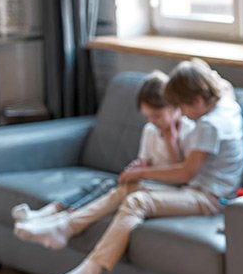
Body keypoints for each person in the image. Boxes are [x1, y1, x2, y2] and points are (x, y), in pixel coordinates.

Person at [25, 58, 243, 274]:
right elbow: (210, 75)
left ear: (199, 100)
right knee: (129, 187)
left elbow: (186, 172)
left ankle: (91, 270)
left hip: (211, 198)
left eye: (183, 107)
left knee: (137, 200)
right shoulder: (225, 99)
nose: (182, 114)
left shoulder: (210, 125)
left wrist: (141, 171)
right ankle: (65, 227)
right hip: (200, 190)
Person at [11, 71, 193, 225]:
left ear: (175, 107)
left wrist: (171, 142)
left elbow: (182, 175)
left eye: (157, 116)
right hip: (147, 180)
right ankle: (48, 212)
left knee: (109, 185)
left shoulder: (187, 131)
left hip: (166, 189)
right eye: (148, 117)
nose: (152, 121)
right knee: (98, 184)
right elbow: (145, 159)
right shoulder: (150, 130)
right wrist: (138, 166)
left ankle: (65, 217)